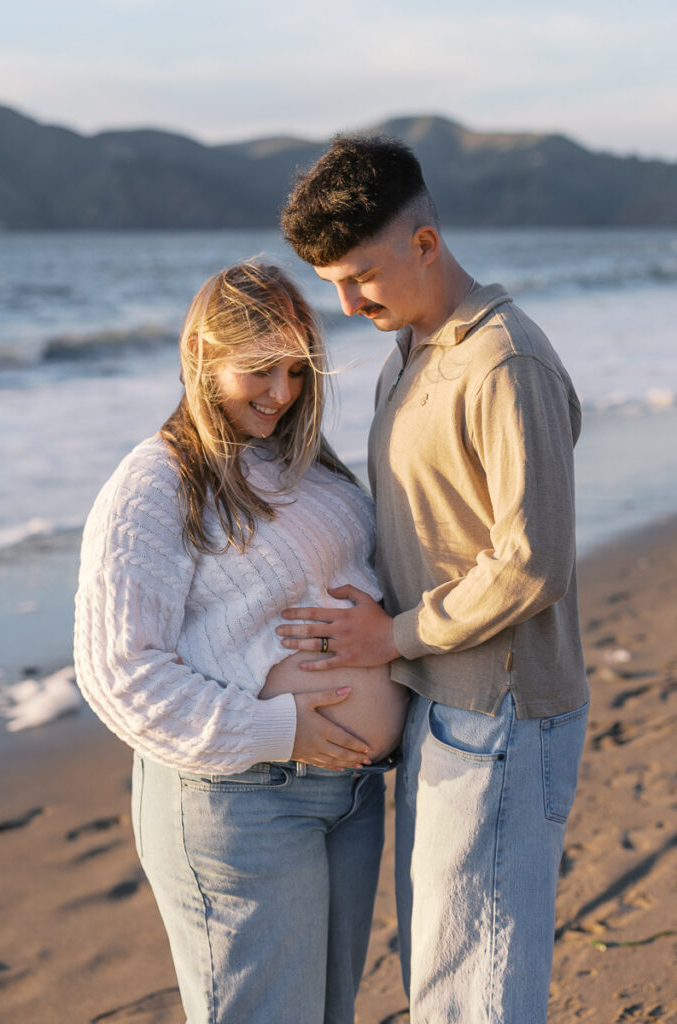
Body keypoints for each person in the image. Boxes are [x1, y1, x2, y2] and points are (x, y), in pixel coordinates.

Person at [279, 137, 590, 1023]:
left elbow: (534, 561)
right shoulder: (411, 350)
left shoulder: (503, 361)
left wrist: (391, 635)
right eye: (329, 282)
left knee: (475, 983)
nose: (345, 303)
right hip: (441, 703)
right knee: (442, 963)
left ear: (425, 242)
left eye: (360, 275)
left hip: (500, 711)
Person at [73, 261, 409, 1024]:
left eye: (296, 369)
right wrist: (281, 727)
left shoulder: (301, 463)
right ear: (200, 355)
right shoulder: (155, 482)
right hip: (241, 800)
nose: (282, 393)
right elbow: (117, 673)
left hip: (349, 792)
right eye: (258, 369)